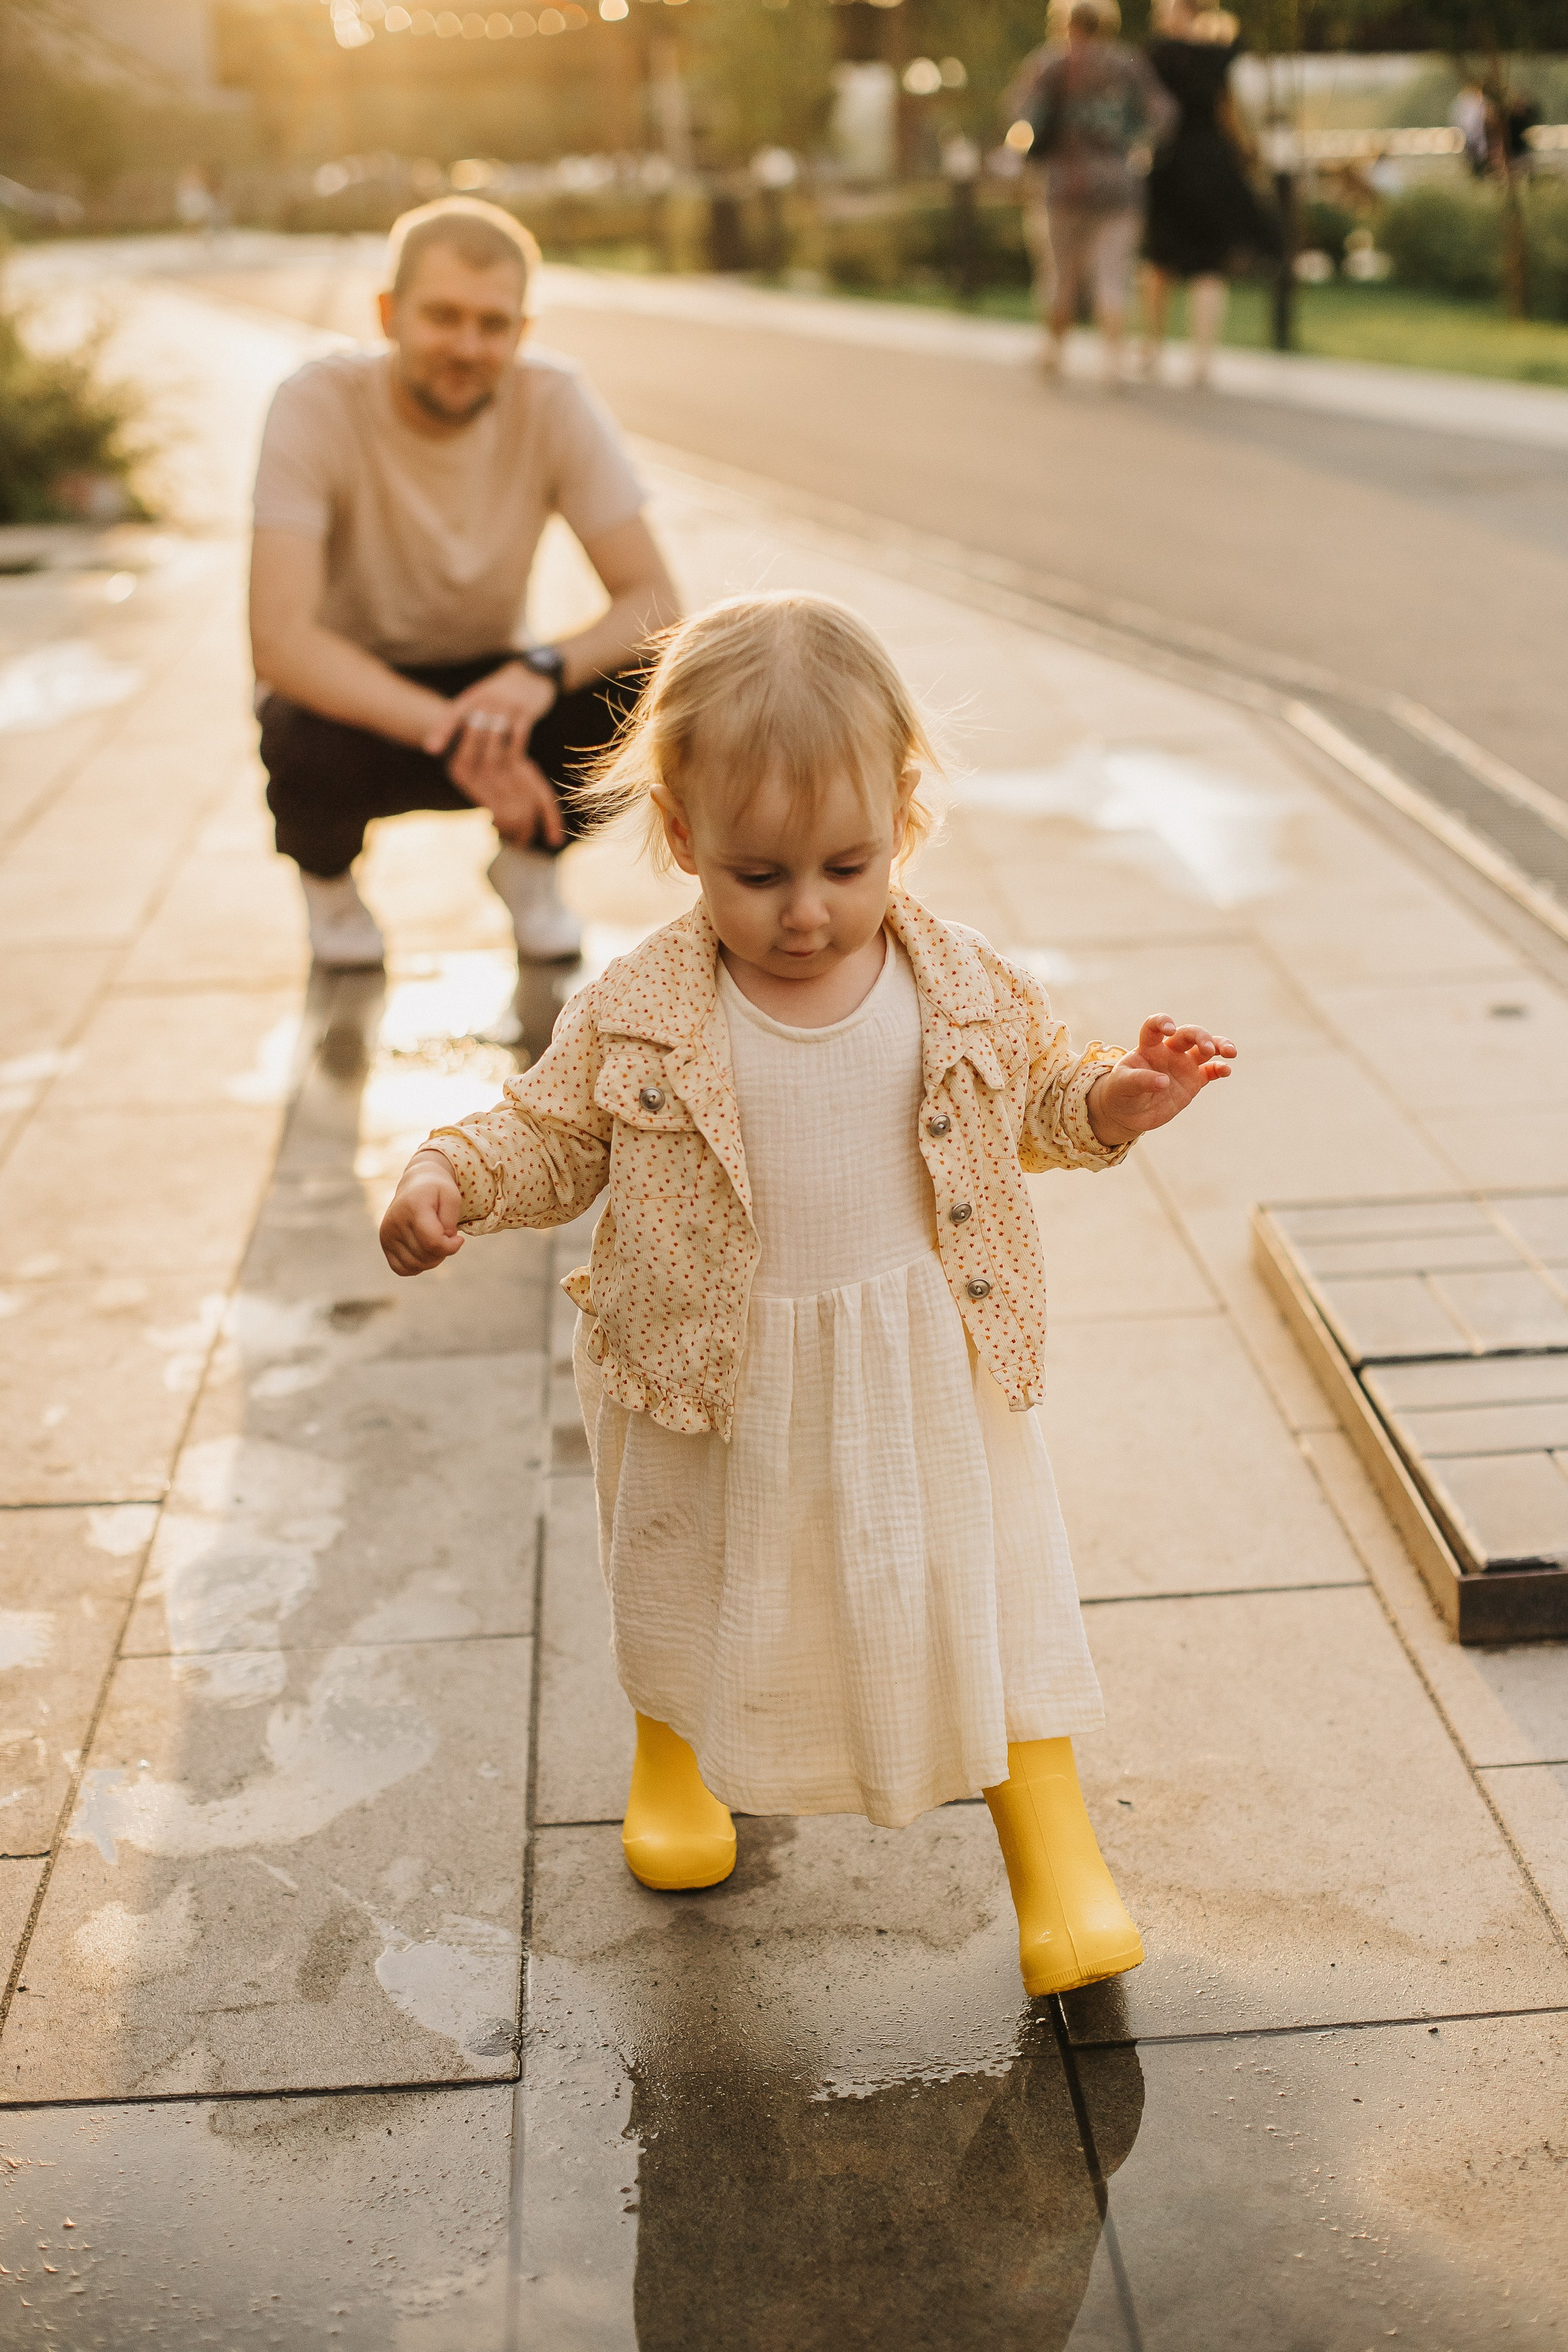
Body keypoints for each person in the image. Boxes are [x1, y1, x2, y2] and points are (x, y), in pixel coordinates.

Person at [378, 592, 1239, 2000]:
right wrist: (447, 1174)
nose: (806, 909)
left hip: (919, 1353)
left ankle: (1052, 1841)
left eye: (843, 863)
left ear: (901, 816)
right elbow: (547, 1127)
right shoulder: (641, 1004)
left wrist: (1117, 1099)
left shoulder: (947, 978)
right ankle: (676, 1754)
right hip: (709, 1367)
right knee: (693, 1569)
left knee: (990, 1582)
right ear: (678, 836)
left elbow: (1036, 1091)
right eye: (755, 871)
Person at [250, 195, 679, 996]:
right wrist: (455, 735)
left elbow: (655, 600)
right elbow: (280, 639)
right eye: (443, 316)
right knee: (294, 724)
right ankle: (332, 894)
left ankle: (528, 864)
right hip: (359, 703)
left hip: (494, 683)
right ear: (388, 314)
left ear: (522, 331)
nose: (469, 345)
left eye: (494, 324)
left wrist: (540, 672)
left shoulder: (552, 398)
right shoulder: (314, 404)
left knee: (654, 684)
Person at [1012, 0, 1172, 387]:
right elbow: (1163, 112)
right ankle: (1112, 362)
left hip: (1064, 184)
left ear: (1064, 23)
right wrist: (1138, 145)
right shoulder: (1128, 64)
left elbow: (1024, 119)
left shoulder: (1049, 64)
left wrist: (1026, 151)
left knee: (1061, 274)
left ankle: (1053, 351)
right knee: (1113, 275)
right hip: (1119, 184)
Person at [1139, 0, 1278, 388]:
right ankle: (1202, 360)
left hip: (1170, 165)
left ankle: (1153, 348)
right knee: (1207, 266)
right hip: (1213, 164)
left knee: (1159, 260)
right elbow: (1231, 113)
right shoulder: (1222, 56)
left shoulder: (1156, 56)